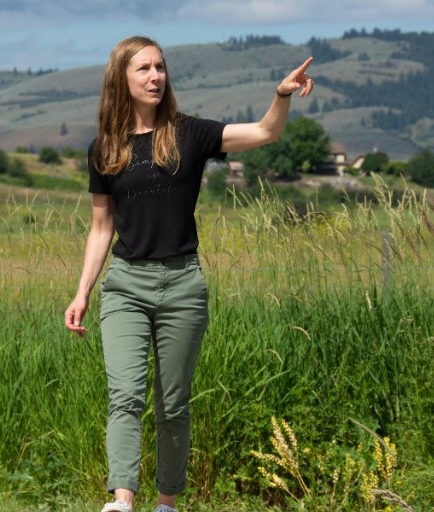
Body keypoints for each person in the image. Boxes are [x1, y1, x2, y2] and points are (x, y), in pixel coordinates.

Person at [64, 35, 313, 512]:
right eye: (144, 69)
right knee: (125, 394)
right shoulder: (105, 150)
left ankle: (166, 503)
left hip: (183, 285)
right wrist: (81, 294)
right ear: (122, 78)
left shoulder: (191, 134)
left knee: (173, 406)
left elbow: (265, 133)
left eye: (160, 67)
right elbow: (101, 228)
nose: (156, 76)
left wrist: (280, 96)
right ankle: (122, 500)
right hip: (125, 286)